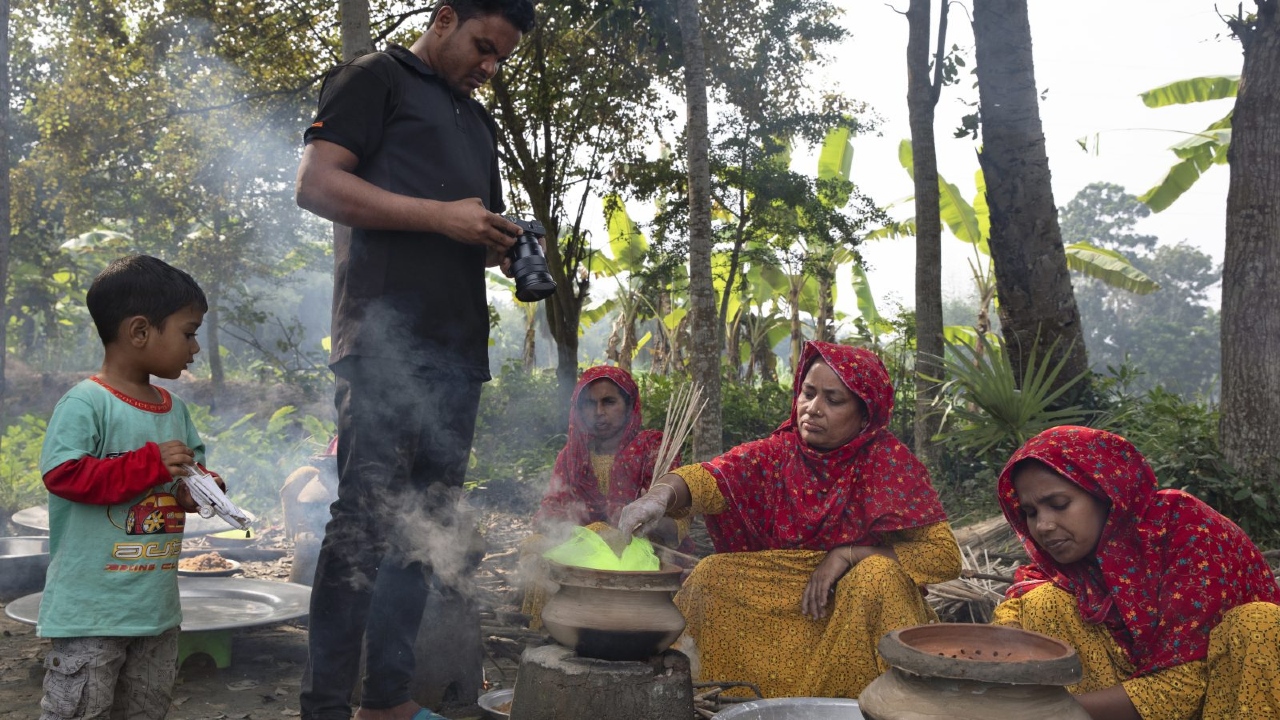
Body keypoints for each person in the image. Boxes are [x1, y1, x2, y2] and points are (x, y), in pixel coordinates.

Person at [294, 0, 535, 718]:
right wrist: (441, 216)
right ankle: (326, 707)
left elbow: (466, 225)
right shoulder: (378, 78)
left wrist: (500, 240)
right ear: (444, 17)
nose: (489, 69)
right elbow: (315, 184)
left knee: (426, 526)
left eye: (501, 60)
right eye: (483, 47)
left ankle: (388, 700)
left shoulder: (477, 120)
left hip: (458, 351)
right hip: (384, 344)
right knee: (363, 523)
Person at [616, 341, 962, 699]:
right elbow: (713, 476)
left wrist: (847, 555)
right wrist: (659, 497)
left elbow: (943, 557)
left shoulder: (888, 463)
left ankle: (880, 702)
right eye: (808, 393)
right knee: (712, 575)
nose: (813, 408)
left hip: (855, 602)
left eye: (833, 399)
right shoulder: (778, 454)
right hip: (783, 590)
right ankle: (730, 698)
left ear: (865, 415)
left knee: (879, 576)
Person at [36, 254, 219, 720]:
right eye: (189, 331)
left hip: (155, 611)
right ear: (140, 331)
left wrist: (199, 490)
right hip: (91, 613)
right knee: (83, 710)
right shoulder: (86, 403)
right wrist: (149, 465)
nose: (195, 348)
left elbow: (188, 475)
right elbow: (64, 476)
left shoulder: (173, 408)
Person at [992, 426, 1280, 720]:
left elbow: (1182, 688)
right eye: (1030, 513)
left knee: (1258, 622)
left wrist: (1042, 712)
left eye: (1059, 505)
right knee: (1043, 602)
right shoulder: (1069, 567)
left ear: (1107, 494)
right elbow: (1016, 606)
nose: (1044, 526)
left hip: (1217, 705)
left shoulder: (1188, 531)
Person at [521, 366, 687, 625]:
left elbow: (678, 522)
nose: (599, 412)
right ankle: (560, 626)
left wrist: (647, 519)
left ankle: (616, 629)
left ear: (629, 404)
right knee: (534, 546)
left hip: (640, 547)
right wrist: (583, 533)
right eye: (589, 404)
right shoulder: (571, 455)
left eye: (609, 402)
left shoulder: (654, 449)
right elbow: (549, 511)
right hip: (581, 548)